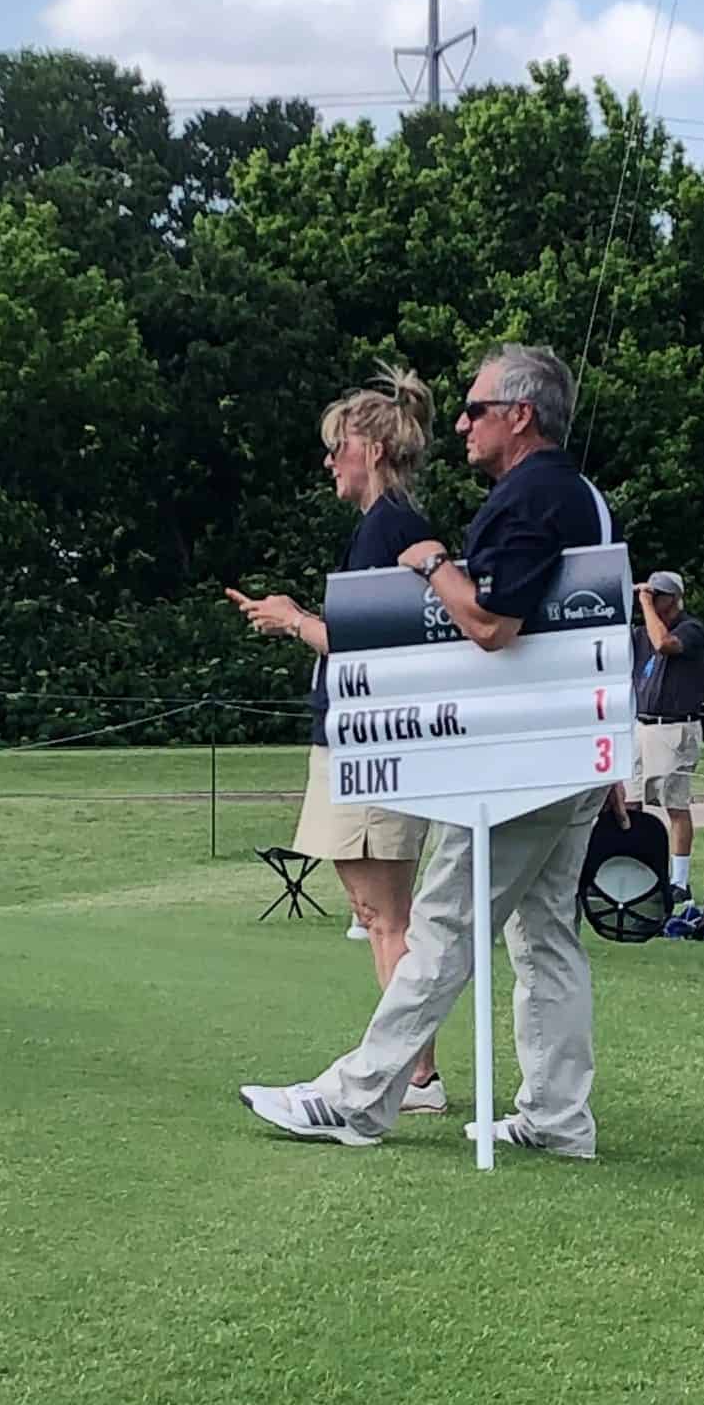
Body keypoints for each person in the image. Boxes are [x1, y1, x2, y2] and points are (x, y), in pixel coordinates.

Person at [239, 342, 618, 1157]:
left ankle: (359, 1099)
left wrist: (435, 564)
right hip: (572, 748)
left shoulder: (531, 498)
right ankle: (557, 1120)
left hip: (525, 760)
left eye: (475, 409)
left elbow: (490, 623)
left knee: (443, 924)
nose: (460, 424)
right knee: (546, 937)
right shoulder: (581, 495)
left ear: (519, 416)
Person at [225, 364, 445, 1110]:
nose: (330, 461)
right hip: (361, 744)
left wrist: (292, 621)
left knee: (386, 916)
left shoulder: (394, 530)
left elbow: (370, 650)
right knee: (375, 913)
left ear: (374, 449)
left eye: (338, 446)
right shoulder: (384, 530)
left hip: (372, 747)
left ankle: (411, 1076)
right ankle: (414, 1069)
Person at [627, 570, 704, 904]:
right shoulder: (642, 632)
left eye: (657, 595)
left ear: (674, 598)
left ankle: (679, 882)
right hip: (642, 725)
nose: (649, 601)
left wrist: (645, 605)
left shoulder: (691, 630)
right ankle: (635, 872)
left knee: (674, 805)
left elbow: (664, 644)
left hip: (675, 727)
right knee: (630, 804)